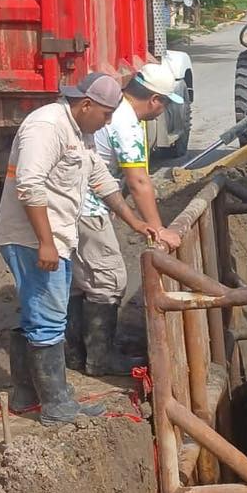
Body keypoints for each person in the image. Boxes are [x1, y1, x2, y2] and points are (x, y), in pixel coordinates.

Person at [0, 72, 157, 427]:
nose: (108, 122)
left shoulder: (81, 132)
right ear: (86, 105)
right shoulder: (47, 127)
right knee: (49, 319)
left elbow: (100, 179)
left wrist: (135, 222)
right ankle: (57, 407)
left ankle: (26, 396)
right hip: (31, 238)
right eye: (106, 114)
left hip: (54, 237)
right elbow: (29, 184)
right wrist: (46, 242)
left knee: (39, 315)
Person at [66, 62, 183, 376]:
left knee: (79, 281)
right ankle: (100, 360)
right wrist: (157, 228)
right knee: (110, 280)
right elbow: (138, 180)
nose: (162, 111)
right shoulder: (126, 121)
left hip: (70, 204)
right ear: (155, 100)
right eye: (165, 104)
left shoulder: (112, 112)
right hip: (87, 208)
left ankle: (74, 356)